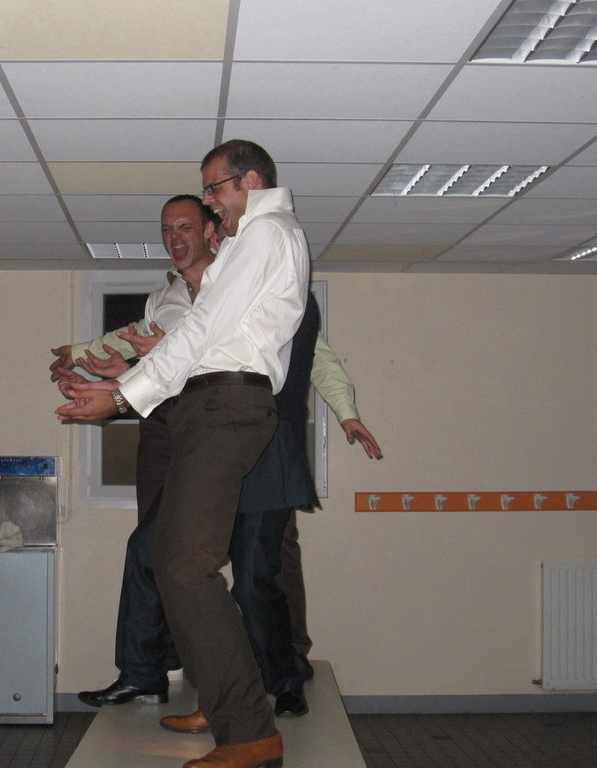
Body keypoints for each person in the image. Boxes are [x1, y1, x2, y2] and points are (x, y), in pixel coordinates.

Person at [57, 206, 381, 719]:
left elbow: (308, 357)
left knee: (258, 573)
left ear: (212, 232)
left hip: (249, 438)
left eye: (186, 226)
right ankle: (147, 672)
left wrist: (346, 412)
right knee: (153, 551)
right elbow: (141, 346)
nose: (174, 237)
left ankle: (282, 675)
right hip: (188, 437)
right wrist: (86, 357)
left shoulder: (249, 286)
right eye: (166, 229)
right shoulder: (163, 298)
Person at [57, 140, 309, 768]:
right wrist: (124, 383)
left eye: (215, 188)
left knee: (183, 567)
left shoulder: (267, 231)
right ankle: (232, 711)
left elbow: (204, 327)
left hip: (226, 405)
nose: (209, 201)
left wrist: (122, 396)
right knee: (177, 564)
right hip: (208, 404)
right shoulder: (254, 238)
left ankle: (248, 732)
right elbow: (200, 338)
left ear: (251, 181)